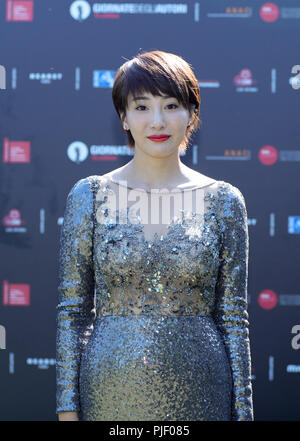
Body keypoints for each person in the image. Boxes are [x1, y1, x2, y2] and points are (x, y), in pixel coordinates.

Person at [56, 50, 254, 421]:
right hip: (109, 391)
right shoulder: (90, 196)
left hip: (203, 392)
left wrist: (243, 413)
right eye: (142, 107)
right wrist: (67, 410)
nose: (158, 121)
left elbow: (233, 317)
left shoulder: (224, 201)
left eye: (171, 105)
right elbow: (73, 313)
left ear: (192, 113)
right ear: (124, 119)